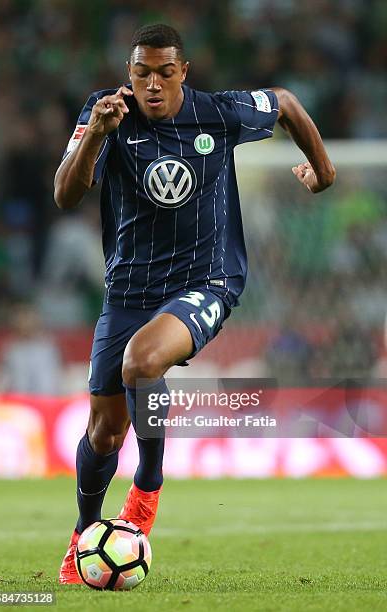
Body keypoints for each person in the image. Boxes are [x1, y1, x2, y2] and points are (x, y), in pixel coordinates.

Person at [54, 23, 335, 584]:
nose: (152, 84)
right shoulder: (106, 113)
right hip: (129, 289)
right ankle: (85, 534)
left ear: (183, 72)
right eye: (141, 73)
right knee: (104, 432)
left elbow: (284, 103)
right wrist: (96, 135)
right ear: (128, 75)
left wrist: (323, 173)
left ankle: (146, 492)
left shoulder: (219, 113)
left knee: (143, 360)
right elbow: (66, 193)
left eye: (164, 72)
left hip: (206, 280)